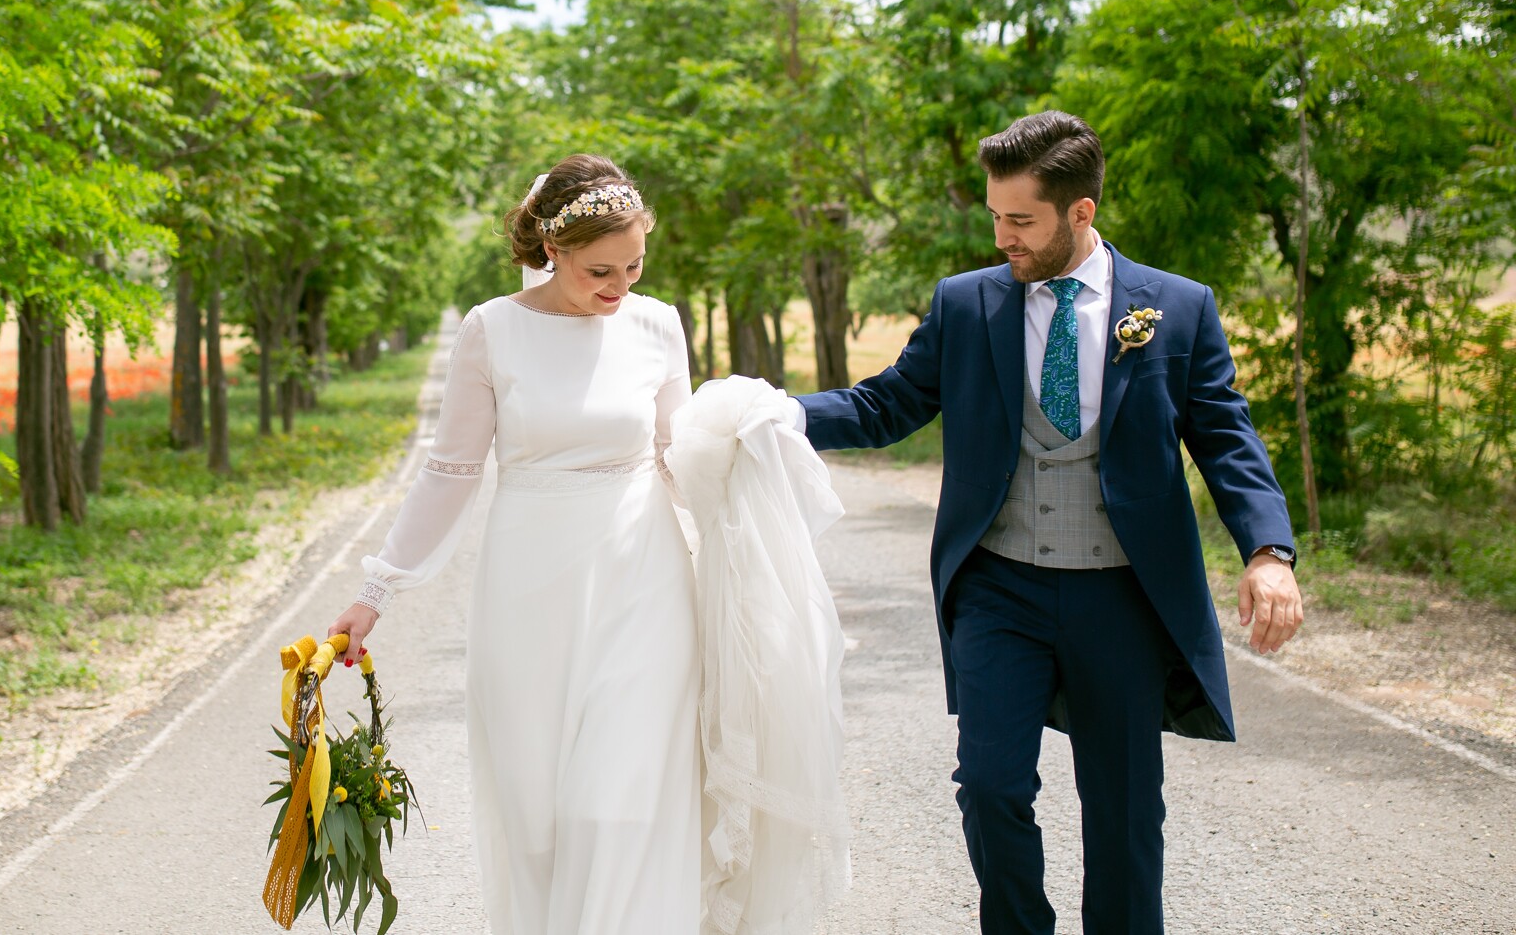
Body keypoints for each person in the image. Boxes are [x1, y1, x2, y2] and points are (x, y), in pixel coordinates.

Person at [791, 110, 1304, 935]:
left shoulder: (1176, 306)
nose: (1003, 236)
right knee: (991, 785)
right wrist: (771, 415)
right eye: (995, 215)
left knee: (1125, 812)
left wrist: (1269, 551)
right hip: (1000, 586)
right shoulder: (967, 304)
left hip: (1122, 596)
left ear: (1081, 212)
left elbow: (1225, 434)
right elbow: (885, 403)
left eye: (1020, 219)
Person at [328, 154, 701, 935]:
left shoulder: (659, 323)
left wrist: (746, 529)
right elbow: (451, 471)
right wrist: (378, 590)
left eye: (635, 265)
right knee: (537, 813)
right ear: (551, 249)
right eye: (601, 269)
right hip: (529, 584)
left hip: (645, 576)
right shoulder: (491, 329)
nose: (620, 287)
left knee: (620, 801)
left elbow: (681, 457)